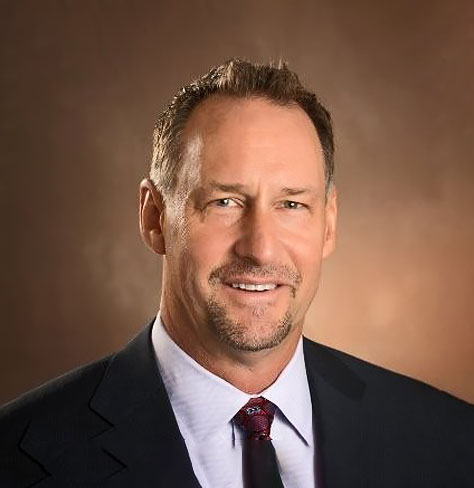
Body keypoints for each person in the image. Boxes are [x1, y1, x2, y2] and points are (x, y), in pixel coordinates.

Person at [0, 58, 473, 488]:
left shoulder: (449, 441)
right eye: (224, 202)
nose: (260, 247)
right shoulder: (17, 458)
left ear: (328, 224)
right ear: (154, 218)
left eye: (292, 204)